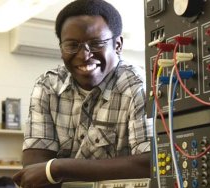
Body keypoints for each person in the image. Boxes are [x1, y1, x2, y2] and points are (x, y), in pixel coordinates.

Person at [12, 0, 151, 187]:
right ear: (61, 47)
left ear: (117, 45)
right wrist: (52, 170)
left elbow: (148, 163)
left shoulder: (138, 86)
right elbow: (35, 171)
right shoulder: (47, 86)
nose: (84, 55)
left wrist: (58, 169)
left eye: (96, 44)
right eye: (72, 45)